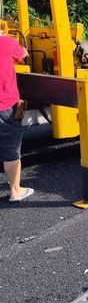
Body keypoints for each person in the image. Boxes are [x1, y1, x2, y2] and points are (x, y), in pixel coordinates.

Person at [0, 30, 33, 202]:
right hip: (5, 107)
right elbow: (24, 54)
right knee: (11, 151)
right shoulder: (6, 42)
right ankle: (15, 191)